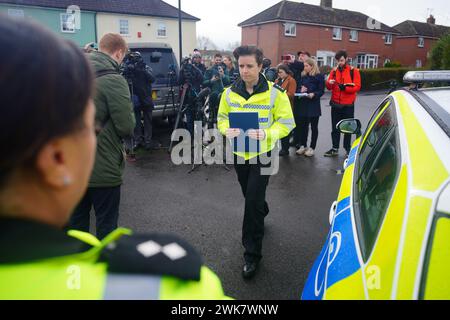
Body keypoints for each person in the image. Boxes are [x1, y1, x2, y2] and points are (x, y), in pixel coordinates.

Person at [0, 15, 229, 300]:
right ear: (57, 159)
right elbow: (125, 126)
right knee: (106, 221)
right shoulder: (168, 287)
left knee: (79, 220)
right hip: (106, 174)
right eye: (88, 127)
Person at [218, 46, 295, 279]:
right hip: (241, 152)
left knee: (251, 202)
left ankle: (252, 255)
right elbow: (221, 119)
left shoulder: (275, 93)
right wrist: (226, 130)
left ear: (261, 66)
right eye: (241, 66)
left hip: (265, 154)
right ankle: (263, 208)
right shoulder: (228, 93)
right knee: (250, 196)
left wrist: (268, 134)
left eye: (250, 66)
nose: (244, 70)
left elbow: (287, 123)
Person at [67, 33, 136, 240]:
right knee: (106, 228)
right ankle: (102, 270)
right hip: (102, 166)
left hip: (72, 166)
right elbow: (126, 126)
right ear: (118, 52)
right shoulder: (114, 80)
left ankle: (77, 270)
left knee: (76, 227)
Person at [324, 50, 361, 157]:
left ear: (346, 59)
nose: (339, 63)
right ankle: (335, 148)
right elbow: (329, 87)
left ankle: (347, 149)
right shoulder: (334, 71)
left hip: (348, 105)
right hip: (336, 104)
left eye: (341, 60)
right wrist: (328, 82)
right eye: (338, 61)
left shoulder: (353, 71)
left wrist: (345, 88)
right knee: (335, 127)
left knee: (348, 128)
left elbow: (357, 86)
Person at [122, 51, 161, 152]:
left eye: (136, 58)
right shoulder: (130, 68)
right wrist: (129, 69)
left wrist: (142, 70)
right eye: (133, 58)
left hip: (146, 98)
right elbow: (124, 80)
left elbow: (152, 79)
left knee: (148, 121)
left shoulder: (145, 67)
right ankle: (137, 140)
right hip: (136, 98)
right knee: (136, 121)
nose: (135, 60)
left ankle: (148, 141)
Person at [295, 58, 325, 157]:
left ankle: (312, 148)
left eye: (307, 66)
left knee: (314, 127)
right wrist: (301, 90)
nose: (305, 67)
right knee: (303, 127)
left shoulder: (319, 76)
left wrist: (314, 94)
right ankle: (303, 145)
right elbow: (298, 88)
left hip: (313, 106)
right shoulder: (303, 76)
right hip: (303, 104)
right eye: (304, 66)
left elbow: (321, 91)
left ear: (312, 66)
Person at [275, 64, 297, 156]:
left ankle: (285, 149)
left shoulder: (291, 80)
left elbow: (291, 94)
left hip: (286, 107)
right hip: (277, 107)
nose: (279, 74)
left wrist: (279, 91)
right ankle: (282, 147)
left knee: (285, 129)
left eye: (281, 72)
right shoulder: (278, 80)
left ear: (286, 72)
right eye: (278, 72)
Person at [203, 53, 230, 128]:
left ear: (221, 60)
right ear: (214, 60)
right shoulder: (209, 70)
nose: (218, 61)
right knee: (211, 117)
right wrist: (211, 80)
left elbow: (228, 82)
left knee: (222, 115)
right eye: (216, 60)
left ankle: (221, 132)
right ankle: (210, 133)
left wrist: (223, 75)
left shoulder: (225, 69)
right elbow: (204, 82)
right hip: (212, 95)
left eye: (219, 60)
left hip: (222, 95)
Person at [179, 57, 204, 136]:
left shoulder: (195, 70)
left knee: (198, 117)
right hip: (187, 98)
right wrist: (182, 70)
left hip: (196, 96)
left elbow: (201, 78)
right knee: (189, 117)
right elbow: (179, 81)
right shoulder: (183, 71)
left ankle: (199, 136)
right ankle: (191, 135)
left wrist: (193, 67)